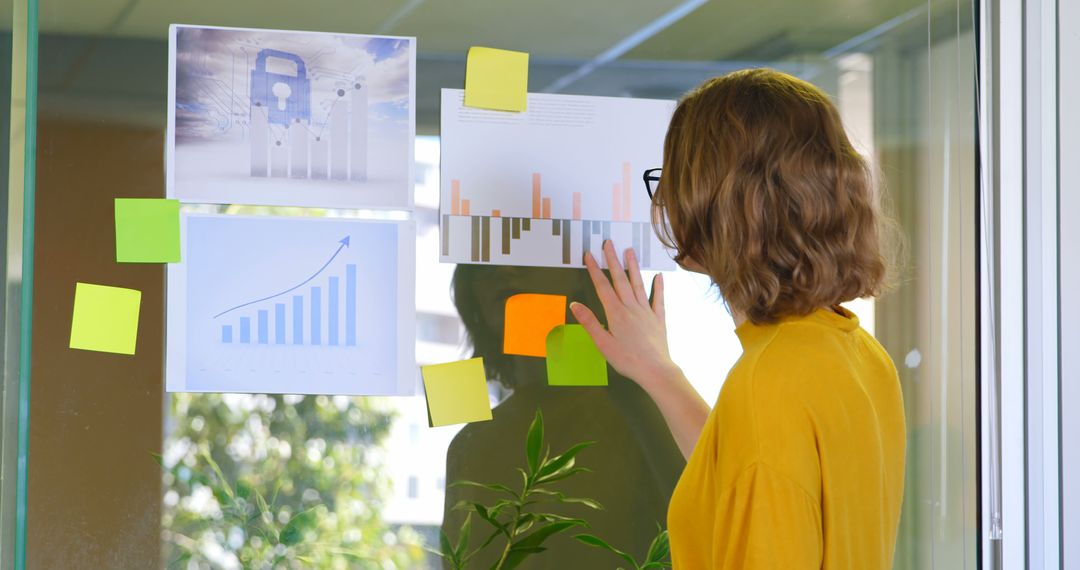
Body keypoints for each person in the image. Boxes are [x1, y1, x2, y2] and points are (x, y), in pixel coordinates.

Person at [570, 68, 905, 569]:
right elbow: (748, 476)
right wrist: (659, 372)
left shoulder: (767, 385)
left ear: (714, 202)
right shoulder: (857, 354)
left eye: (673, 180)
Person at [442, 265, 685, 569]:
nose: (505, 270)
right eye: (483, 266)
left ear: (581, 277)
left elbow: (706, 529)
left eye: (529, 252)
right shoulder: (472, 444)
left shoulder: (639, 413)